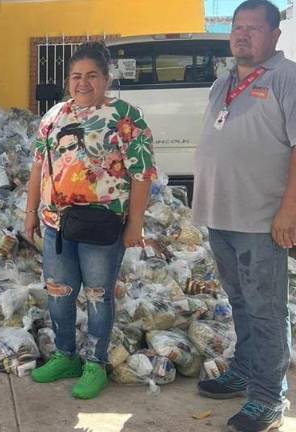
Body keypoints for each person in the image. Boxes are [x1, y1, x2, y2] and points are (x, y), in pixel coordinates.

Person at [23, 41, 156, 400]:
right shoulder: (53, 117)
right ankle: (66, 355)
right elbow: (38, 167)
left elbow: (142, 174)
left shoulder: (126, 117)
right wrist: (30, 212)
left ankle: (95, 362)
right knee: (59, 294)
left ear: (106, 78)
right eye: (76, 76)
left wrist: (135, 225)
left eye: (92, 76)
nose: (83, 83)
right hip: (57, 225)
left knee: (98, 295)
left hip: (102, 228)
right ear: (68, 80)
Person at [192, 1, 296, 430]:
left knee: (266, 309)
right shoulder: (223, 81)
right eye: (238, 27)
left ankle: (271, 397)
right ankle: (246, 371)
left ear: (274, 35)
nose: (242, 34)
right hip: (222, 216)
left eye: (253, 28)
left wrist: (288, 210)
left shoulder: (287, 78)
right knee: (240, 303)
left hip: (262, 220)